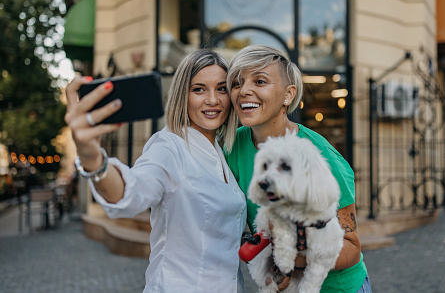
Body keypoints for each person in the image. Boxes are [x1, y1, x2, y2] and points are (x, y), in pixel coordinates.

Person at [65, 49, 247, 292]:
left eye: (222, 88)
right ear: (183, 95)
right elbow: (130, 191)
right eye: (199, 89)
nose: (213, 99)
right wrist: (93, 159)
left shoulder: (221, 152)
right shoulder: (169, 147)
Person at [224, 45, 371, 293]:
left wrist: (289, 259)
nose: (244, 91)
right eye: (236, 83)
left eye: (260, 81)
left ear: (288, 95)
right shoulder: (232, 146)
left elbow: (352, 248)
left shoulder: (319, 156)